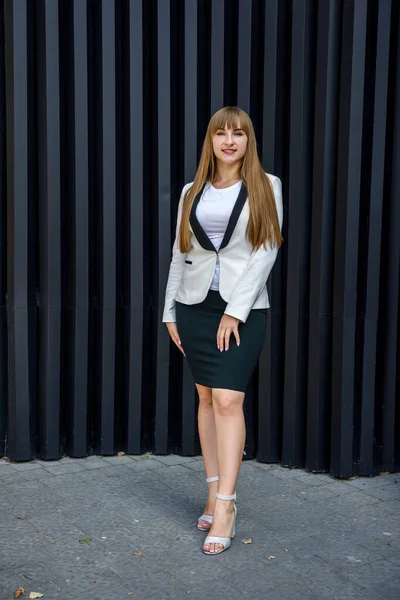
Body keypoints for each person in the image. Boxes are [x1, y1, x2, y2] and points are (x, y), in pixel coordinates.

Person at [162, 106, 283, 555]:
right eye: (221, 133)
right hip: (192, 307)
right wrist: (168, 311)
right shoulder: (191, 191)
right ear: (210, 140)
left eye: (238, 133)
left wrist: (235, 311)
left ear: (249, 141)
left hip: (243, 307)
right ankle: (212, 492)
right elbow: (180, 251)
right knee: (207, 398)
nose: (229, 141)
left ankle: (227, 505)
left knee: (229, 398)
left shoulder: (267, 187)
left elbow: (266, 250)